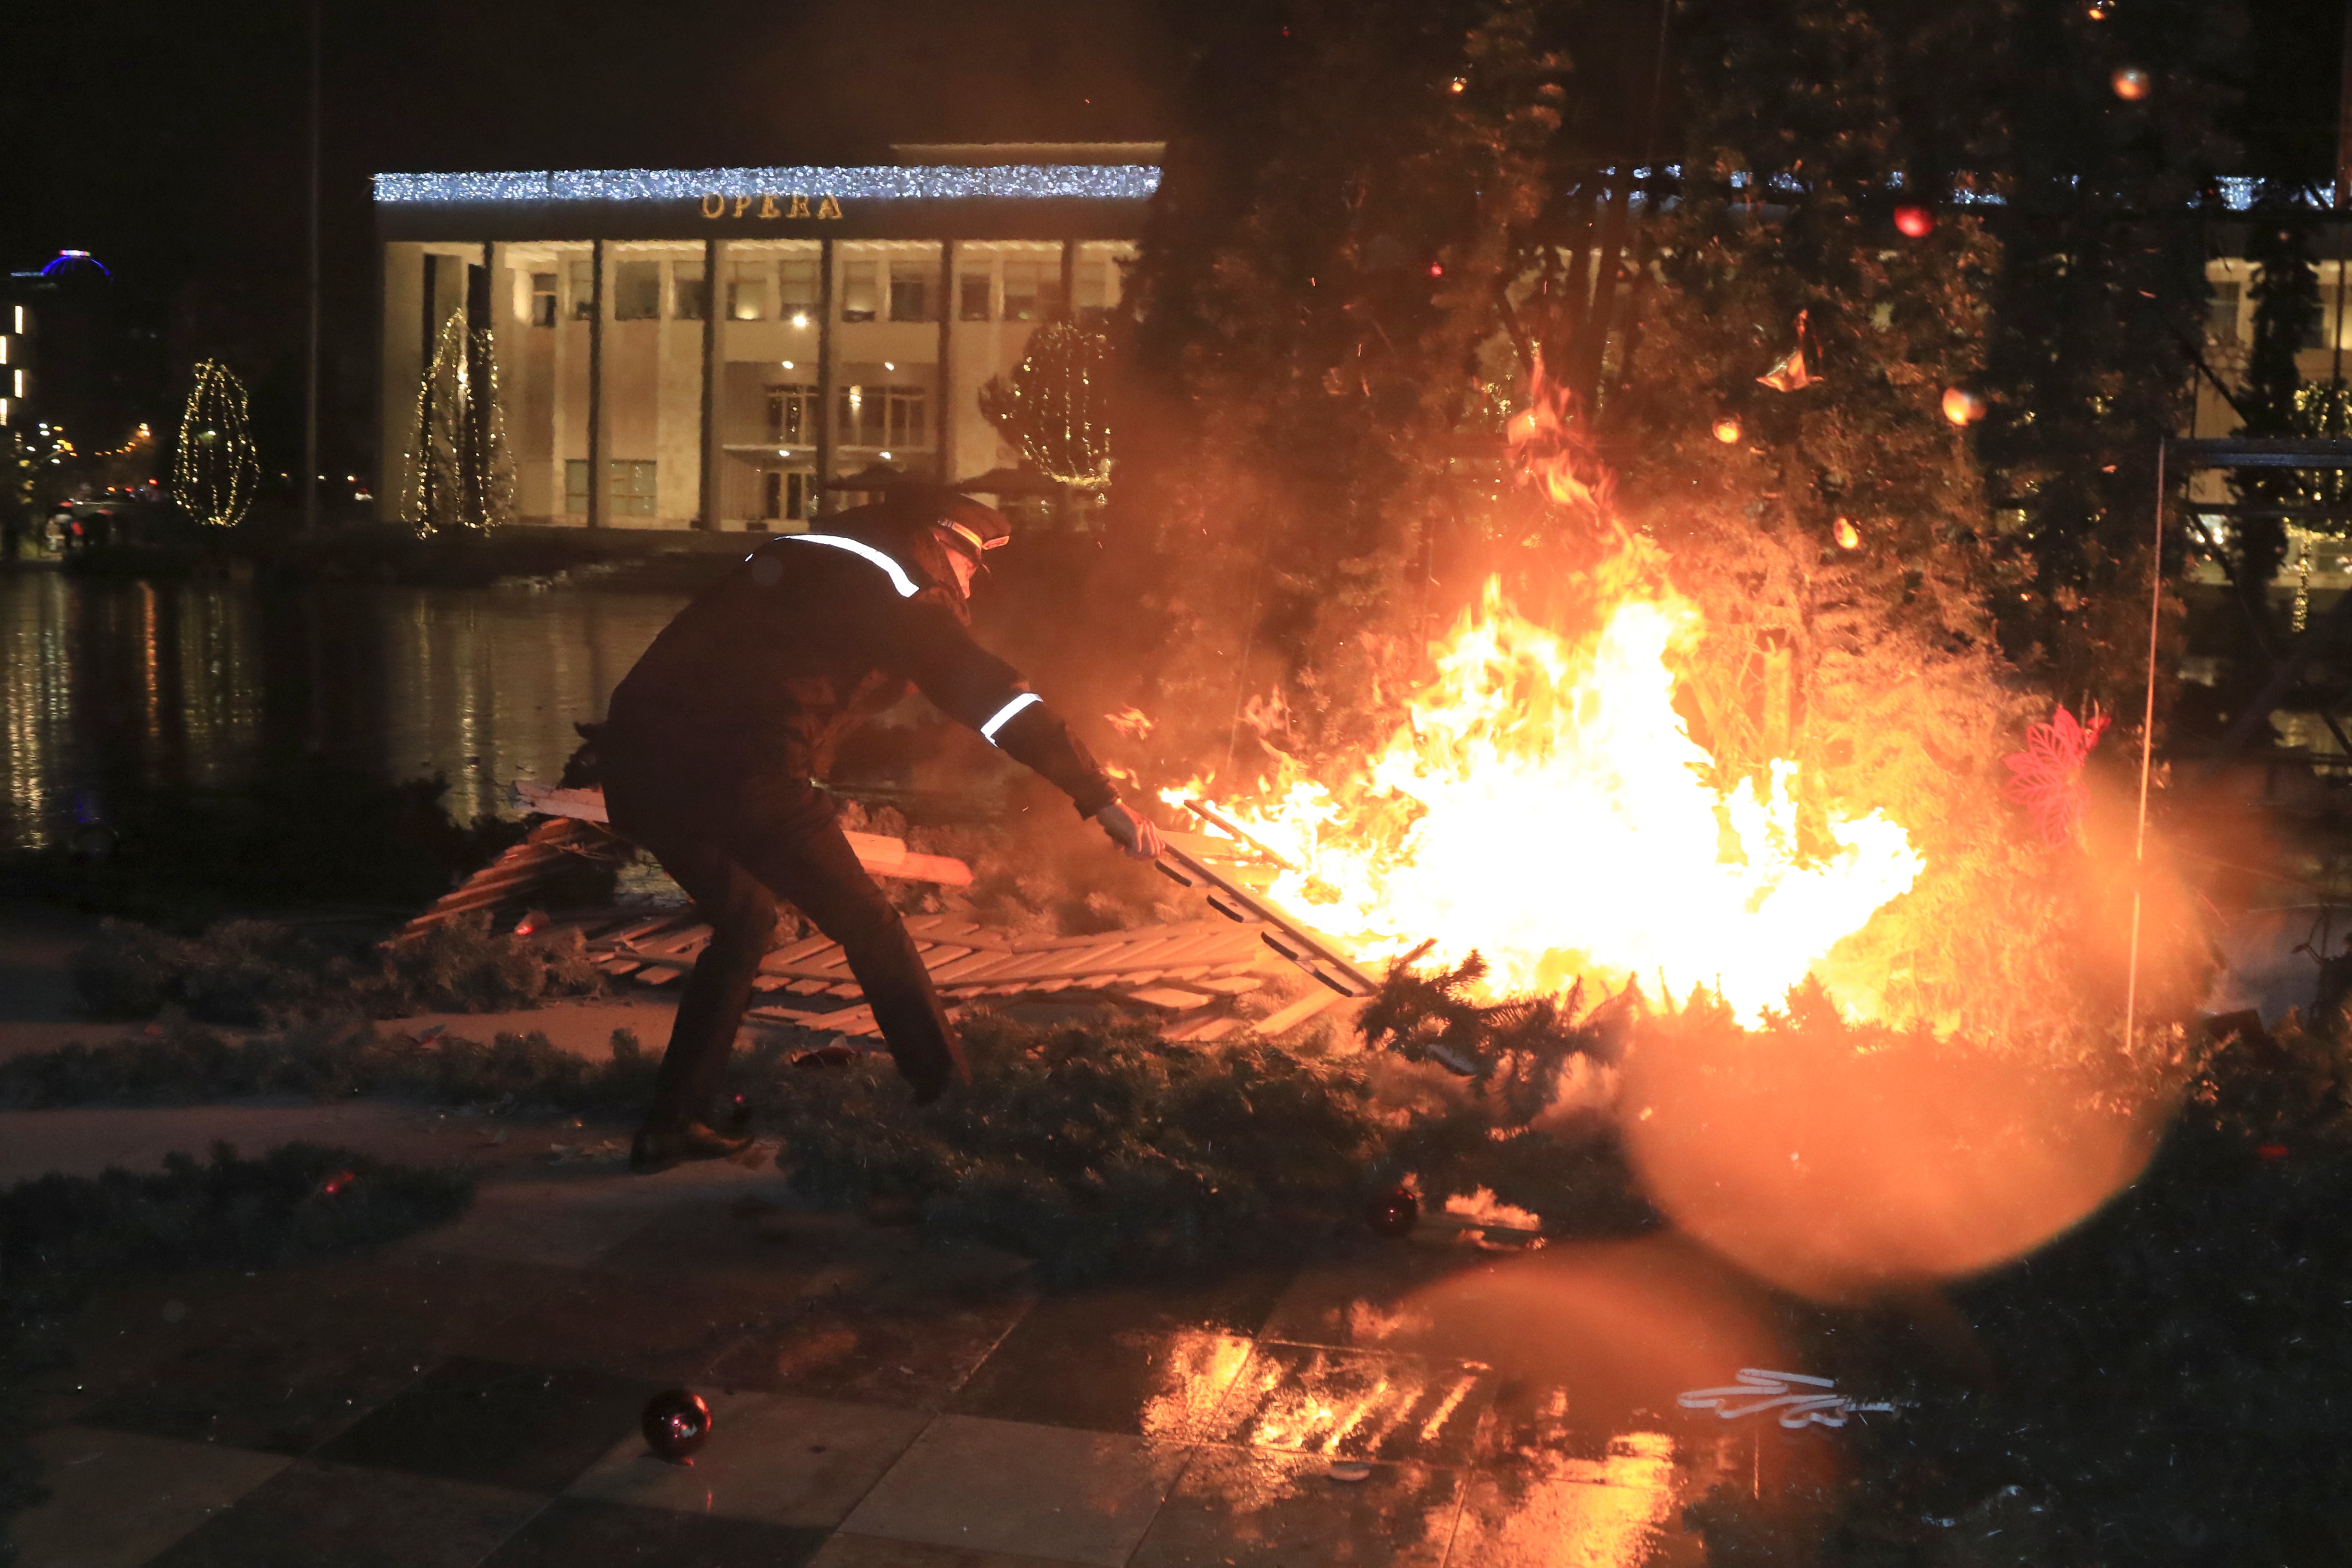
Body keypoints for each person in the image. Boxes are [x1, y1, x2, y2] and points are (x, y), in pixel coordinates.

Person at [593, 484, 1162, 1172]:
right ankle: (950, 1102)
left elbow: (759, 671)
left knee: (744, 920)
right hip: (741, 772)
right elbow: (992, 697)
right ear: (943, 540)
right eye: (974, 564)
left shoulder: (808, 554)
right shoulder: (899, 586)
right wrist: (1098, 797)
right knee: (870, 925)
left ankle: (671, 1124)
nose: (974, 582)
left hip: (638, 764)